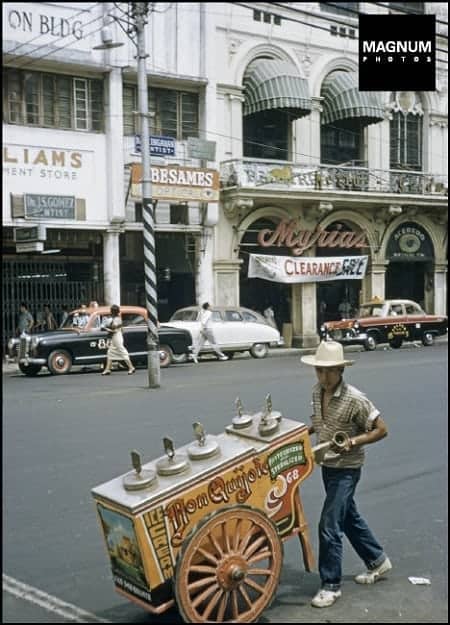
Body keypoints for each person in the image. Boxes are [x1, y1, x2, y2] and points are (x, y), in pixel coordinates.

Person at [301, 340, 391, 608]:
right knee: (348, 517)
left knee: (329, 525)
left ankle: (331, 585)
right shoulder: (317, 392)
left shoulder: (355, 399)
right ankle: (377, 560)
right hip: (327, 466)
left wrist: (352, 442)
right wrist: (299, 435)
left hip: (347, 470)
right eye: (319, 371)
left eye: (329, 371)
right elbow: (320, 424)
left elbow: (381, 429)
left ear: (341, 369)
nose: (324, 376)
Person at [101, 305, 135, 375]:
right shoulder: (114, 318)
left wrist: (106, 327)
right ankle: (107, 369)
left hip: (117, 336)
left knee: (122, 351)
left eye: (111, 310)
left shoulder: (117, 319)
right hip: (115, 336)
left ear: (113, 311)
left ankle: (131, 367)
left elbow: (114, 329)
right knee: (110, 352)